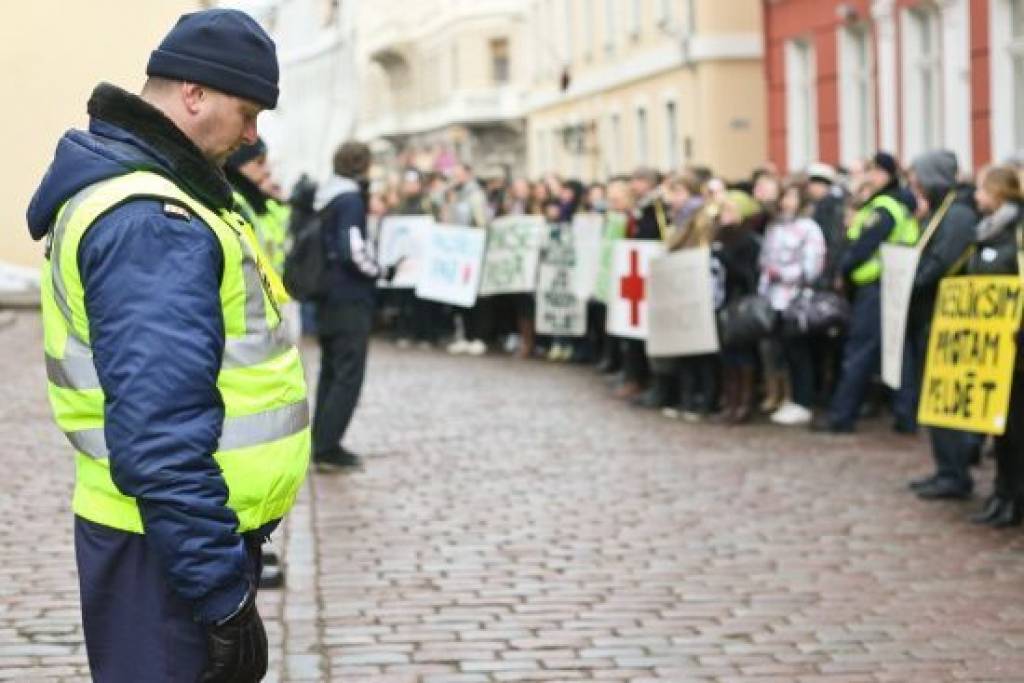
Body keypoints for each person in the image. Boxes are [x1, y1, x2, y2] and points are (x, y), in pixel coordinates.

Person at [26, 9, 309, 681]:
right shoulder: (154, 218)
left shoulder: (155, 196)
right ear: (193, 93)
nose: (251, 136)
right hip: (167, 550)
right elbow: (159, 432)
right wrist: (221, 595)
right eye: (248, 113)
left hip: (169, 537)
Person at [815, 152, 918, 433]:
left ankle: (841, 415)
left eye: (871, 171)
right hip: (889, 283)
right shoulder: (890, 204)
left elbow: (861, 248)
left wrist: (844, 270)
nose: (866, 177)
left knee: (861, 351)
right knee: (897, 350)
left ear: (884, 175)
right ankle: (905, 414)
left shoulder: (883, 207)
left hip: (877, 286)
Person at [312, 141, 398, 470]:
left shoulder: (326, 196)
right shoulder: (349, 200)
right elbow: (354, 250)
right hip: (349, 297)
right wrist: (381, 271)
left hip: (328, 296)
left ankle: (321, 439)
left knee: (331, 371)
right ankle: (328, 447)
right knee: (348, 373)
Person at [902, 151, 982, 500]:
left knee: (945, 399)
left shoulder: (957, 216)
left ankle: (955, 470)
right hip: (928, 316)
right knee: (932, 399)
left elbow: (941, 263)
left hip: (944, 317)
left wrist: (910, 280)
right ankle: (945, 467)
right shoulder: (939, 213)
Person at [962, 166, 1024, 525]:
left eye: (983, 188)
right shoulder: (987, 232)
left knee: (1016, 428)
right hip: (993, 346)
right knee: (999, 428)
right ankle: (1002, 492)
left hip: (1016, 347)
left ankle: (1014, 496)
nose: (976, 195)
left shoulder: (1014, 234)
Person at [760, 181, 827, 426]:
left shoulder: (809, 229)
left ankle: (804, 400)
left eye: (791, 196)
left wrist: (784, 274)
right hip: (775, 298)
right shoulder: (776, 227)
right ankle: (790, 396)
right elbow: (766, 258)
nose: (786, 201)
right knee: (783, 351)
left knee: (799, 351)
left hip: (796, 298)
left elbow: (812, 266)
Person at [445, 162, 492, 355]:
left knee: (475, 297)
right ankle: (463, 335)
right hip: (458, 252)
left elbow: (482, 223)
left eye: (458, 174)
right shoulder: (455, 195)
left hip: (473, 251)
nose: (455, 178)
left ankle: (478, 336)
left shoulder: (475, 195)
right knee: (459, 296)